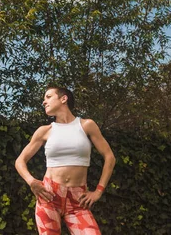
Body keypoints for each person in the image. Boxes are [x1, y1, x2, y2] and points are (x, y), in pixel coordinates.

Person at [15, 86, 116, 235]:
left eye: (48, 97)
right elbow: (20, 161)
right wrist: (32, 182)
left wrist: (98, 191)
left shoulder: (87, 125)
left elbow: (110, 157)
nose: (44, 102)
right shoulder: (45, 130)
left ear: (63, 99)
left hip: (78, 201)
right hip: (49, 197)